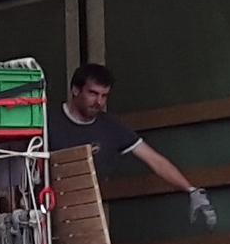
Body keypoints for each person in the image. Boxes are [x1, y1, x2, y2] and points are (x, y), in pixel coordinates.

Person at [49, 63, 218, 225]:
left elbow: (154, 160)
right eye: (93, 93)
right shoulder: (46, 122)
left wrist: (191, 190)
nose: (99, 102)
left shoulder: (111, 127)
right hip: (41, 208)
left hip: (83, 212)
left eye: (104, 95)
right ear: (75, 90)